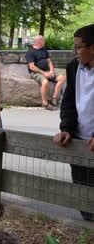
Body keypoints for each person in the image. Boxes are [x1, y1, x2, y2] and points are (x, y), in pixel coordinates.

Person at [54, 24, 94, 222]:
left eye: (79, 47)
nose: (75, 52)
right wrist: (66, 129)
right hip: (79, 143)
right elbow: (68, 101)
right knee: (84, 199)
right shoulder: (73, 68)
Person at [25, 35, 66, 110]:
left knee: (62, 78)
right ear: (39, 41)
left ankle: (54, 98)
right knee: (45, 82)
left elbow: (49, 61)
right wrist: (44, 73)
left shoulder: (44, 49)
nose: (44, 41)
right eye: (43, 40)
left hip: (47, 71)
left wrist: (51, 71)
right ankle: (45, 103)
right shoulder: (30, 52)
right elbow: (32, 67)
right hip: (35, 72)